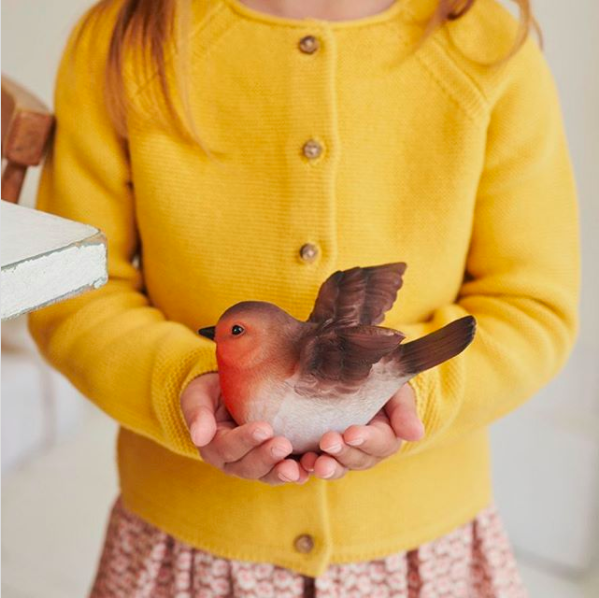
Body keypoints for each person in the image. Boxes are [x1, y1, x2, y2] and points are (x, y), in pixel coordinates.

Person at [28, 0, 580, 596]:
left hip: (423, 552)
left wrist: (414, 390)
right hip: (185, 552)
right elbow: (72, 289)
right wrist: (187, 383)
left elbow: (532, 304)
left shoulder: (488, 46)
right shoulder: (126, 41)